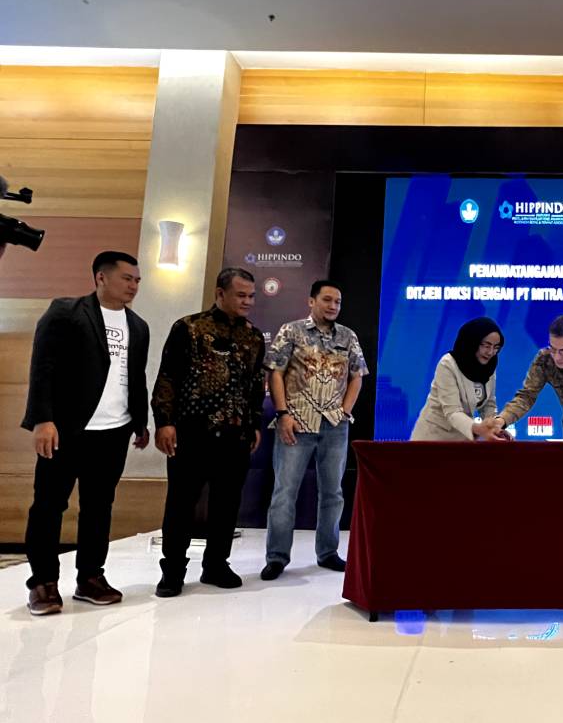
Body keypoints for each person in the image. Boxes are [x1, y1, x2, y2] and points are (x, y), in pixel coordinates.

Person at [21, 251, 150, 616]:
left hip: (113, 432)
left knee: (98, 507)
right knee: (49, 506)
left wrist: (140, 421)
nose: (133, 286)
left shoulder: (138, 325)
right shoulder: (66, 312)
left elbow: (136, 376)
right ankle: (43, 582)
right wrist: (42, 420)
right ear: (100, 278)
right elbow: (42, 367)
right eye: (127, 278)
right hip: (65, 430)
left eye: (137, 280)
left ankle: (90, 577)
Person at [152, 267, 265, 597]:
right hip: (191, 432)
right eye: (240, 295)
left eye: (251, 296)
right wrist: (164, 422)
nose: (247, 301)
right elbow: (168, 376)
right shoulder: (188, 327)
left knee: (226, 504)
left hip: (236, 434)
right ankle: (173, 569)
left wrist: (254, 424)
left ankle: (216, 564)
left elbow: (255, 385)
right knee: (181, 503)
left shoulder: (254, 337)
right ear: (219, 294)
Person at [260, 281, 368, 581]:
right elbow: (275, 372)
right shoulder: (291, 331)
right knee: (285, 493)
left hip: (335, 425)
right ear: (311, 301)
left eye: (338, 302)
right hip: (296, 423)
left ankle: (328, 551)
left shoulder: (347, 336)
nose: (333, 306)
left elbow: (358, 376)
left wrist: (345, 412)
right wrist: (282, 413)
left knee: (333, 492)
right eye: (327, 300)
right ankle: (277, 557)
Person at [411, 317, 508, 441]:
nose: (491, 352)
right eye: (486, 345)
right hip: (433, 437)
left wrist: (495, 429)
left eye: (496, 347)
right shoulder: (448, 364)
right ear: (472, 342)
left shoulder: (489, 366)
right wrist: (480, 429)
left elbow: (488, 404)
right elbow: (452, 411)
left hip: (463, 437)